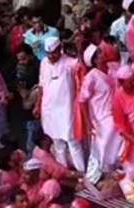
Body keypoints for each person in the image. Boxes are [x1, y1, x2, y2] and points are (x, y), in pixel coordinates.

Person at [35, 37, 88, 171]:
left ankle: (82, 173)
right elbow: (41, 85)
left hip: (66, 110)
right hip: (49, 109)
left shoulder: (70, 63)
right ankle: (65, 173)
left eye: (54, 53)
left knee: (73, 142)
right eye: (48, 53)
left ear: (60, 50)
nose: (51, 56)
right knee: (58, 143)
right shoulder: (44, 63)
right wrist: (37, 104)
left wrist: (79, 48)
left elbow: (81, 67)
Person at [79, 43, 122, 184]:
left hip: (116, 111)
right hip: (101, 117)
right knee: (104, 147)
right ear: (95, 60)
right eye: (99, 53)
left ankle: (117, 173)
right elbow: (82, 100)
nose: (103, 53)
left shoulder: (113, 68)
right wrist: (88, 123)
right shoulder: (91, 77)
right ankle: (104, 174)